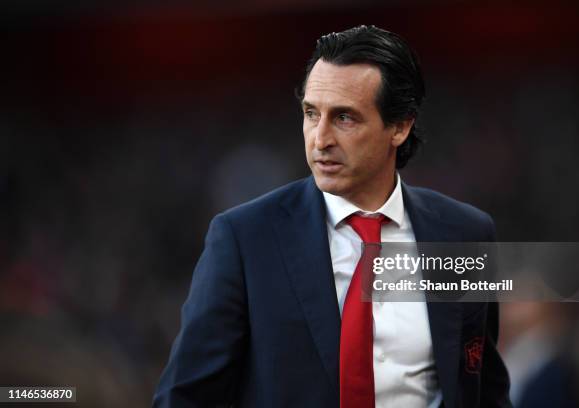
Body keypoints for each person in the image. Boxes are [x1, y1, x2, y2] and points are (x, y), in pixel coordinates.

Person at [153, 25, 511, 408]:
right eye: (311, 113)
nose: (320, 138)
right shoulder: (245, 238)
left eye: (344, 118)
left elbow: (484, 390)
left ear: (400, 127)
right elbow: (184, 397)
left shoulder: (463, 233)